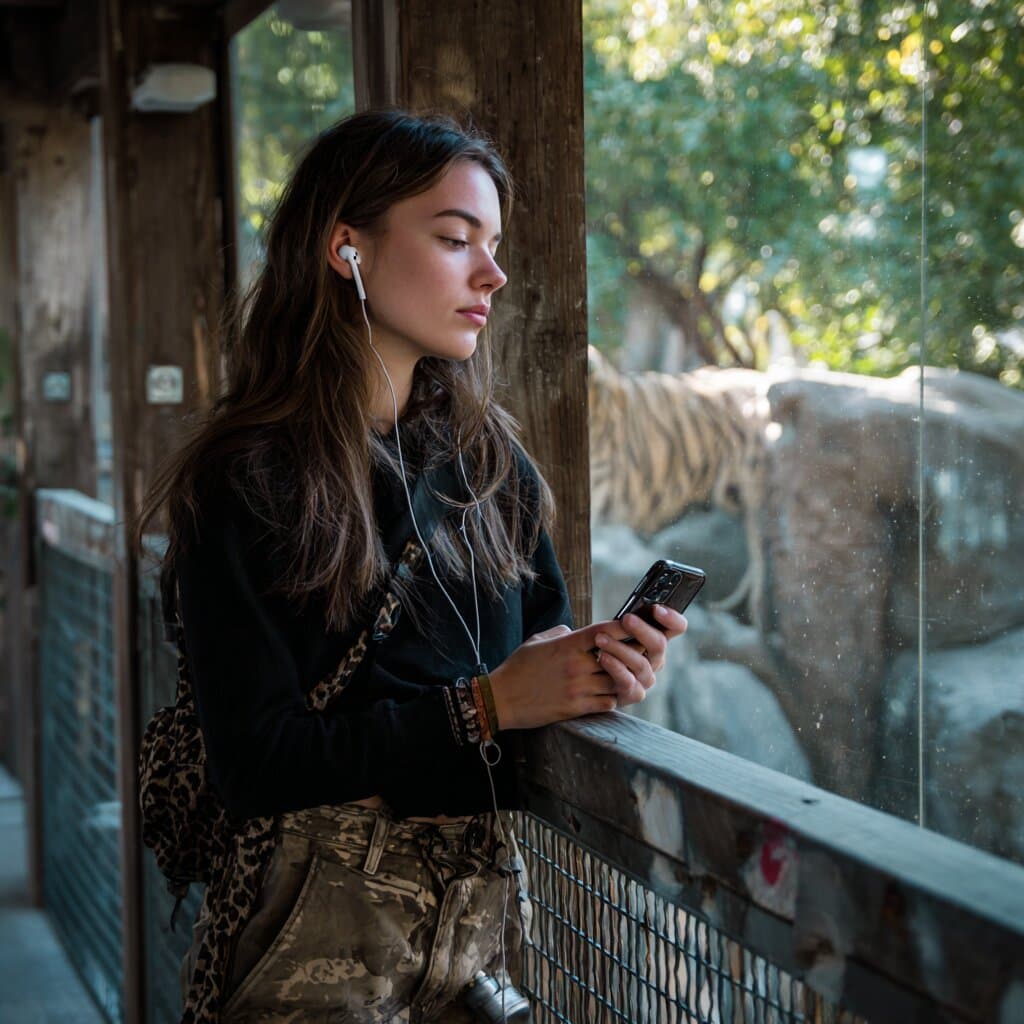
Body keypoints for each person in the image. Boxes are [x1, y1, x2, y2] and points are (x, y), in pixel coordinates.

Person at [139, 109, 688, 1023]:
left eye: (495, 243)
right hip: (306, 953)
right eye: (453, 238)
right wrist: (490, 704)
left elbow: (538, 645)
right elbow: (257, 763)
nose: (493, 272)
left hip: (470, 943)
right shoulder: (246, 479)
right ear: (346, 249)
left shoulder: (489, 464)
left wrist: (595, 668)